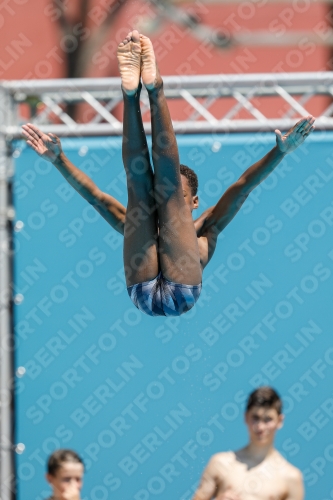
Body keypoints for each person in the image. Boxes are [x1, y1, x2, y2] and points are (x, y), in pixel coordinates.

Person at [22, 31, 315, 318]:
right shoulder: (149, 221)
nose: (163, 198)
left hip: (155, 292)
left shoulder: (207, 225)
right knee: (141, 191)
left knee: (146, 191)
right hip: (171, 288)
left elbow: (241, 188)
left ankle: (142, 92)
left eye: (180, 193)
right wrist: (58, 160)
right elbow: (97, 198)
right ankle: (135, 91)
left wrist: (280, 152)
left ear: (196, 201)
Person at [193, 387, 304, 500]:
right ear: (246, 417)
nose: (260, 427)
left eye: (268, 419)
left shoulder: (291, 478)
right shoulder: (220, 464)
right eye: (255, 418)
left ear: (279, 421)